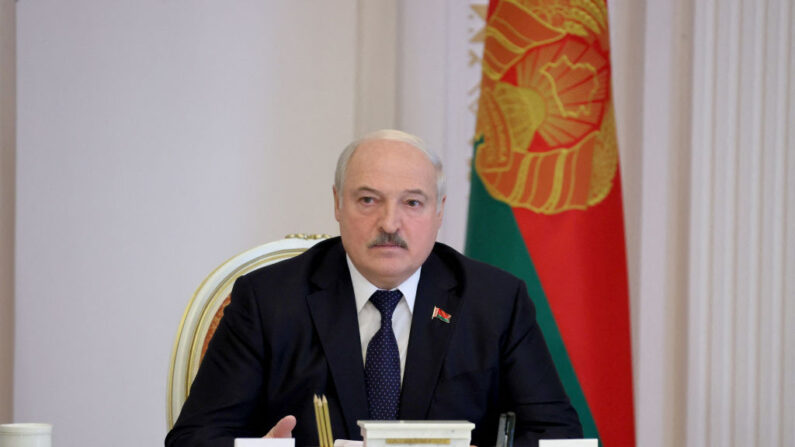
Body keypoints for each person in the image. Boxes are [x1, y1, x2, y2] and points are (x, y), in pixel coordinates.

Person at [165, 130, 582, 447]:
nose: (389, 223)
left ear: (439, 212)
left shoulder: (495, 301)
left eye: (412, 203)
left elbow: (556, 435)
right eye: (368, 200)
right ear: (337, 204)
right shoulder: (268, 300)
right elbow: (195, 437)